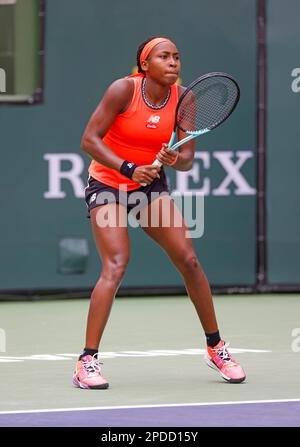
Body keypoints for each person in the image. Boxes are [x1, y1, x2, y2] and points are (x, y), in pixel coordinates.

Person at [72, 36, 246, 389]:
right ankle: (86, 361)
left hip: (149, 187)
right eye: (163, 56)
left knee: (189, 259)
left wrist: (171, 159)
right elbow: (89, 140)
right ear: (144, 64)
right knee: (116, 264)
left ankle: (216, 347)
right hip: (108, 184)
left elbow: (186, 161)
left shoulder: (185, 99)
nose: (173, 63)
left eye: (177, 57)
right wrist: (127, 168)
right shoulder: (123, 90)